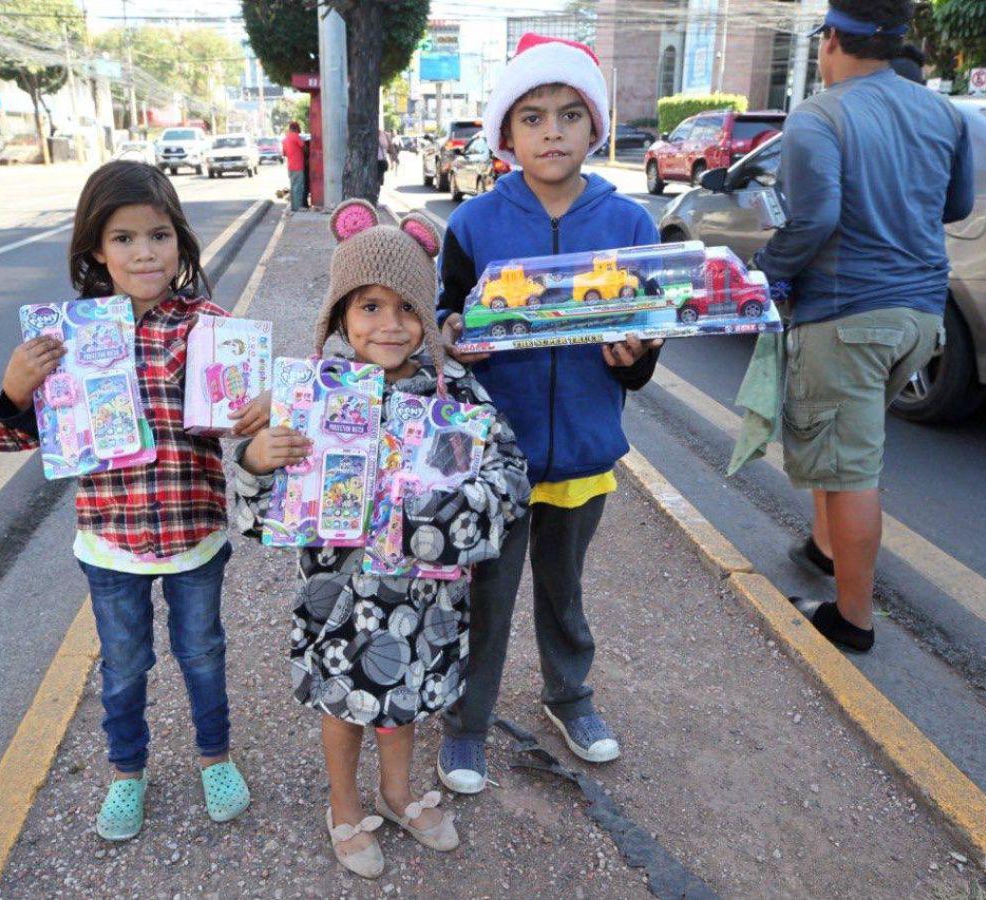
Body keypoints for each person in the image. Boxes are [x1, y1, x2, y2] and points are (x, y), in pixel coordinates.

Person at [231, 199, 530, 879]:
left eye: (406, 308)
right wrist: (256, 459)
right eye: (369, 307)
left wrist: (444, 508)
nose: (390, 325)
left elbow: (511, 479)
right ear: (339, 316)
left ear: (428, 315)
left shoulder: (456, 396)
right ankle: (343, 806)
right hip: (339, 595)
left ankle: (397, 794)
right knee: (344, 704)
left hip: (423, 599)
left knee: (404, 703)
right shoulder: (306, 392)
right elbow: (259, 504)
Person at [0, 161, 270, 840]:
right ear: (95, 250)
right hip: (109, 542)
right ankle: (127, 772)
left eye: (159, 235)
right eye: (123, 238)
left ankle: (214, 757)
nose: (144, 252)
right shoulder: (67, 337)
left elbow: (245, 430)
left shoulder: (209, 326)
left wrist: (260, 412)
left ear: (180, 243)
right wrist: (17, 388)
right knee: (123, 666)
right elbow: (15, 435)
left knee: (202, 652)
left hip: (194, 534)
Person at [433, 33, 663, 793]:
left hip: (586, 451)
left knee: (565, 592)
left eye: (570, 114)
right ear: (505, 136)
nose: (552, 131)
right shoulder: (472, 226)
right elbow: (446, 322)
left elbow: (648, 334)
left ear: (596, 127)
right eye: (532, 117)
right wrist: (455, 340)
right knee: (487, 596)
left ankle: (571, 698)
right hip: (497, 458)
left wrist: (637, 356)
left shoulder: (630, 226)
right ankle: (467, 724)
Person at [751, 0, 974, 652]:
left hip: (847, 315)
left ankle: (852, 619)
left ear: (829, 40)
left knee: (851, 469)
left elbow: (814, 219)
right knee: (844, 442)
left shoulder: (820, 116)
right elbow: (955, 205)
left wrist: (766, 268)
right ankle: (824, 551)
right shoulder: (943, 113)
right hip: (922, 318)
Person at [283, 121, 307, 211]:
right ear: (296, 128)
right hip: (298, 166)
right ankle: (298, 207)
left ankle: (293, 207)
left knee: (293, 187)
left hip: (290, 166)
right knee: (299, 187)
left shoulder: (285, 139)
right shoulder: (296, 136)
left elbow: (284, 153)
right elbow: (304, 147)